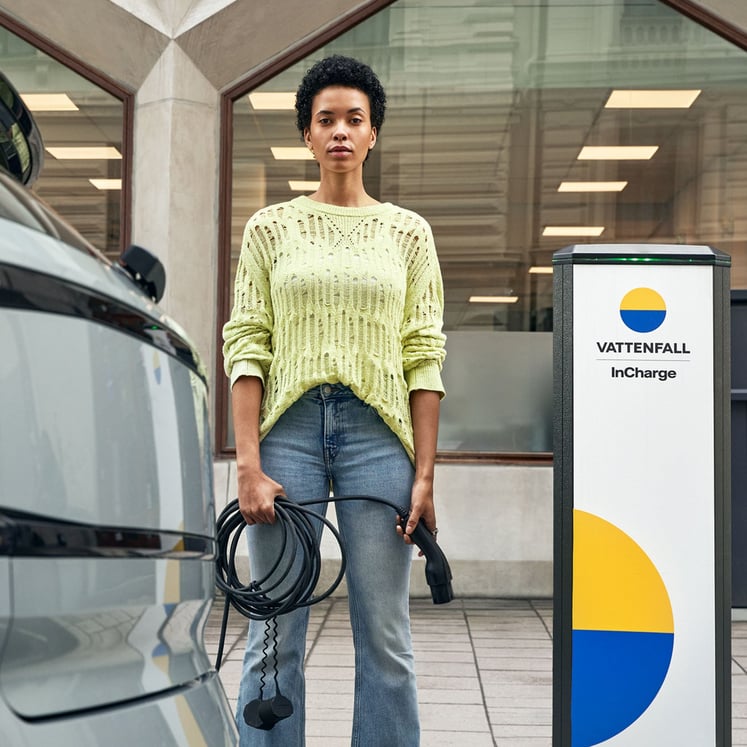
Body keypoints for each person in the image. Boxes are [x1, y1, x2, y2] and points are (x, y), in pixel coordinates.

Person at [222, 54, 446, 746]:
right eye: (326, 120)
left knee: (385, 634)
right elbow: (247, 341)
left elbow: (424, 354)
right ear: (307, 136)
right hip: (286, 433)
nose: (340, 132)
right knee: (273, 629)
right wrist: (248, 461)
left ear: (373, 133)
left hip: (378, 437)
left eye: (354, 119)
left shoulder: (408, 233)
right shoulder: (270, 228)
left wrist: (425, 471)